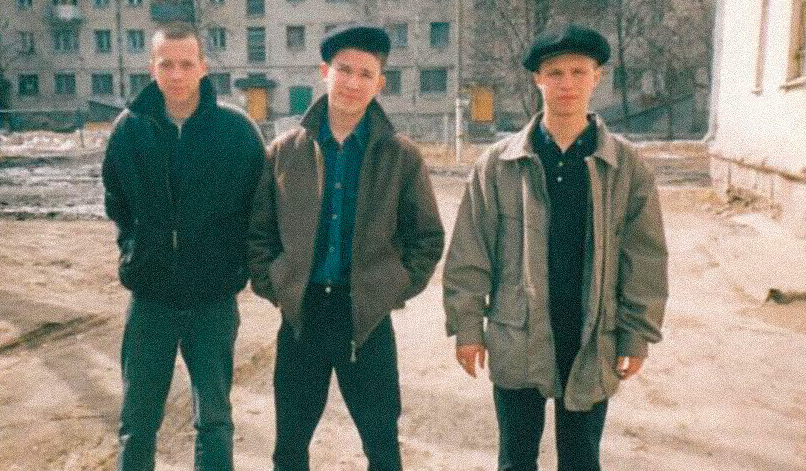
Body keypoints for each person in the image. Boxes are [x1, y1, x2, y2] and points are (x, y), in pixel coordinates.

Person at [443, 23, 669, 471]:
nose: (567, 84)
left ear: (597, 77)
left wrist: (636, 333)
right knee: (515, 458)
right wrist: (468, 327)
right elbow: (469, 254)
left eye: (578, 72)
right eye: (555, 73)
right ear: (537, 79)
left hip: (590, 337)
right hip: (517, 333)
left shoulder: (626, 167)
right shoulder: (499, 164)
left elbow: (644, 259)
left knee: (582, 460)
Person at [248, 24, 445, 471]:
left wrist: (392, 286)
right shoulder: (284, 151)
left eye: (365, 73)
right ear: (324, 72)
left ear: (380, 82)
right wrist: (275, 282)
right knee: (290, 446)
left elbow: (426, 238)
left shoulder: (401, 157)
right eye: (343, 70)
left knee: (382, 445)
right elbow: (258, 232)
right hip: (302, 316)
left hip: (367, 319)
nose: (353, 83)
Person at [102, 22, 265, 471]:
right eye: (165, 63)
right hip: (150, 301)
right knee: (137, 422)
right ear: (152, 68)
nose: (176, 74)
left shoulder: (236, 131)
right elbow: (117, 202)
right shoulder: (129, 130)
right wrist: (136, 250)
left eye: (186, 63)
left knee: (213, 420)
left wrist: (232, 264)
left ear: (203, 67)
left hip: (212, 302)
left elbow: (259, 208)